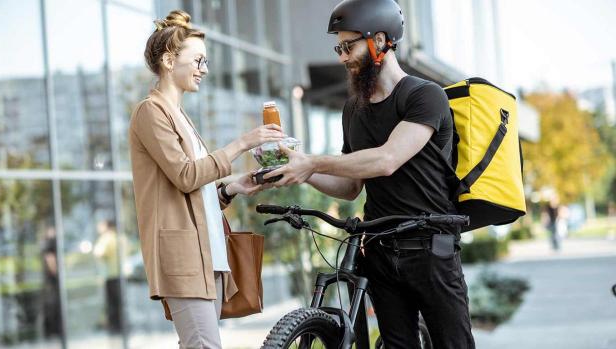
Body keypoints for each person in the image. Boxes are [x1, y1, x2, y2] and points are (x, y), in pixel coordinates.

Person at [268, 0, 475, 347]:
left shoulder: (425, 96)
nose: (342, 57)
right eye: (339, 47)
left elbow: (387, 159)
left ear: (380, 41)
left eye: (349, 46)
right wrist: (300, 167)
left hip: (430, 250)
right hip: (379, 249)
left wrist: (314, 162)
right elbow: (350, 186)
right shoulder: (354, 108)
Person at [129, 10, 284, 348]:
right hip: (184, 261)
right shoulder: (150, 112)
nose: (204, 69)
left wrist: (231, 187)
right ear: (170, 61)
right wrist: (242, 143)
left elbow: (193, 194)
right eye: (198, 60)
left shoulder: (180, 116)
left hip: (208, 258)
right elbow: (185, 176)